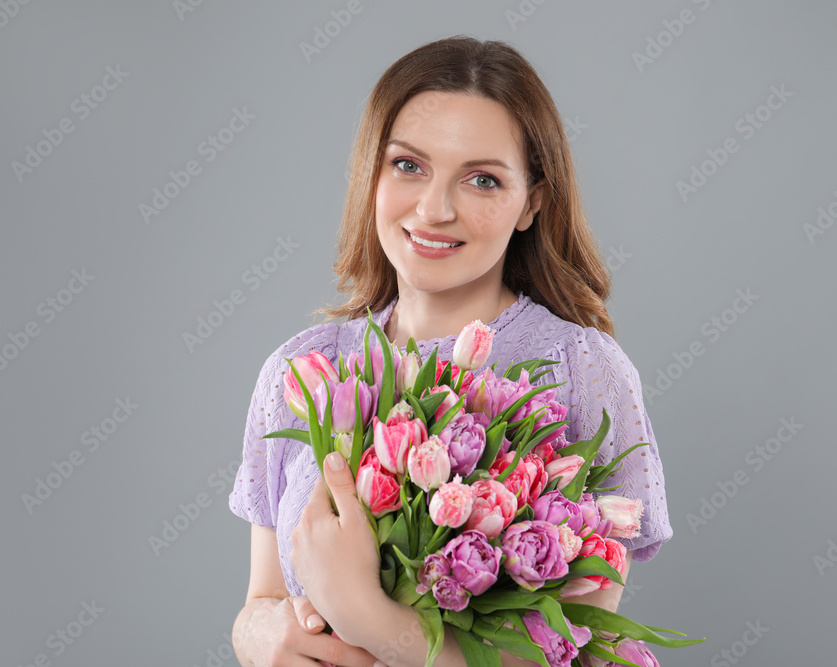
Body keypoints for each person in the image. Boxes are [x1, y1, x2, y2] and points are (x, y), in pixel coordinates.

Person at [229, 35, 672, 666]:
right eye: (408, 165)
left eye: (483, 180)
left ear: (533, 202)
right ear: (371, 170)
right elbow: (262, 599)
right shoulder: (300, 372)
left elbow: (575, 648)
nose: (434, 209)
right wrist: (259, 635)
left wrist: (368, 617)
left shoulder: (582, 368)